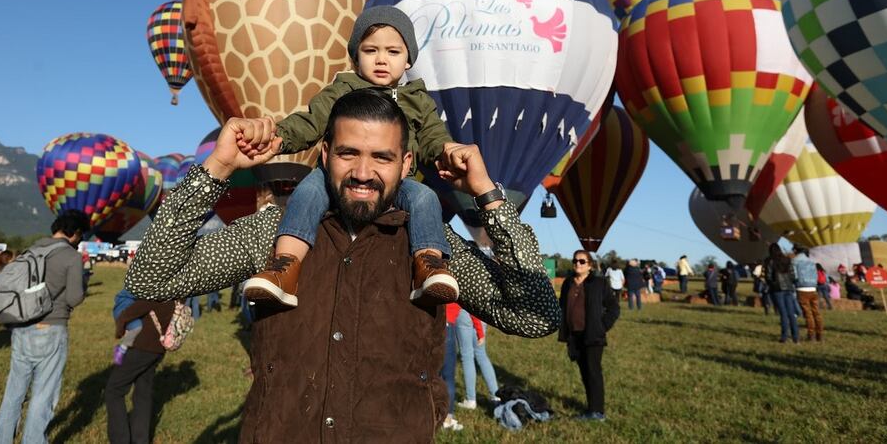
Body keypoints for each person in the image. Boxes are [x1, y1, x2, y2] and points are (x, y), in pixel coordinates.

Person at [124, 89, 560, 441]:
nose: (364, 172)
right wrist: (217, 167)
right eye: (349, 153)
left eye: (382, 158)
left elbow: (536, 315)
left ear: (407, 164)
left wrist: (487, 195)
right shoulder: (274, 233)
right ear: (325, 153)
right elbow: (151, 276)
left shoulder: (431, 247)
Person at [243, 6, 463, 309]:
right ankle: (286, 267)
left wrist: (448, 151)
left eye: (393, 51)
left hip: (396, 182)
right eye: (371, 50)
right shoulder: (342, 89)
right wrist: (278, 137)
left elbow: (433, 137)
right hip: (335, 178)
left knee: (425, 196)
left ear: (409, 59)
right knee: (307, 191)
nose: (382, 59)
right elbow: (311, 120)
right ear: (355, 56)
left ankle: (428, 266)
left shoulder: (418, 99)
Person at [0, 210, 89, 444]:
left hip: (21, 326)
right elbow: (75, 297)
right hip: (52, 327)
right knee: (43, 395)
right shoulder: (71, 256)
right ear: (75, 233)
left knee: (14, 393)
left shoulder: (31, 250)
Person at [104, 297, 176, 444]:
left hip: (142, 346)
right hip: (157, 348)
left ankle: (120, 439)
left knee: (114, 390)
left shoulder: (159, 288)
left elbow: (140, 307)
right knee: (142, 394)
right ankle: (140, 439)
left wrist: (121, 323)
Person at [558, 250, 619, 421]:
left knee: (593, 372)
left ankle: (597, 412)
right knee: (584, 371)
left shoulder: (599, 283)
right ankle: (591, 406)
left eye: (582, 261)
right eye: (575, 261)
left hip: (592, 336)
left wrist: (602, 326)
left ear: (590, 265)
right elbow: (561, 306)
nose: (578, 264)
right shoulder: (568, 283)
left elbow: (614, 308)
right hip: (574, 335)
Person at [455, 307, 500, 409]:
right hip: (481, 312)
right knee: (481, 354)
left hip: (464, 312)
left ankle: (470, 399)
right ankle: (496, 394)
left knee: (467, 357)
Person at [764, 244, 799, 343]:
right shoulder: (787, 260)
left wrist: (772, 284)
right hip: (788, 288)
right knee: (791, 313)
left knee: (783, 313)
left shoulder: (770, 261)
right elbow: (792, 275)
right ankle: (795, 337)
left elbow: (768, 276)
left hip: (777, 289)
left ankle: (784, 336)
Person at [793, 246, 823, 342]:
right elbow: (816, 275)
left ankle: (811, 335)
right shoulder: (811, 262)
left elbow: (794, 276)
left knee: (808, 313)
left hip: (802, 288)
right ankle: (820, 335)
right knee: (817, 312)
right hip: (813, 288)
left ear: (795, 251)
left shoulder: (794, 261)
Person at [440, 308, 464, 432]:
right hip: (447, 324)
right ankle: (447, 419)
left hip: (427, 324)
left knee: (428, 374)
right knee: (448, 377)